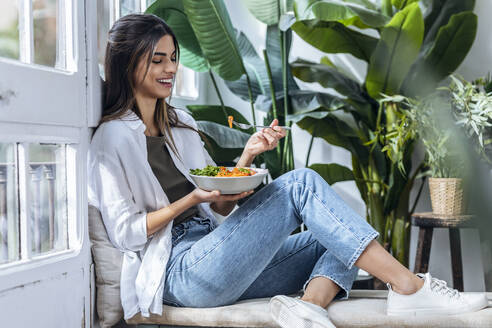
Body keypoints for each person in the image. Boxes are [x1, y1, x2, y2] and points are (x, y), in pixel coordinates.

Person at [87, 13, 488, 328]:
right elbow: (125, 232)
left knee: (340, 234)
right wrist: (191, 199)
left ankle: (305, 310)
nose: (170, 69)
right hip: (179, 271)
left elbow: (219, 209)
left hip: (217, 250)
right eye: (157, 60)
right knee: (302, 184)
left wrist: (246, 157)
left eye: (173, 58)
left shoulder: (181, 124)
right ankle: (409, 287)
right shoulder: (113, 138)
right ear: (127, 63)